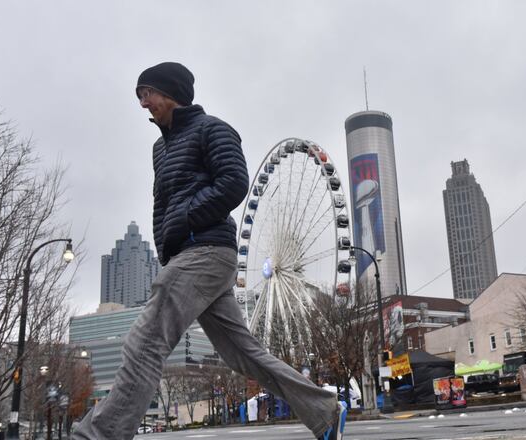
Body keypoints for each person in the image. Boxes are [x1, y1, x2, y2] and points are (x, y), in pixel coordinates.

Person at [73, 62, 346, 440]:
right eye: (139, 95)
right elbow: (162, 204)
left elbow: (234, 182)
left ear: (172, 93)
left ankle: (99, 435)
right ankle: (324, 411)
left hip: (206, 250)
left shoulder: (212, 129)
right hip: (187, 255)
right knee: (243, 354)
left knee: (144, 341)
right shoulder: (160, 149)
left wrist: (187, 219)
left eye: (147, 93)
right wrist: (167, 248)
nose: (142, 103)